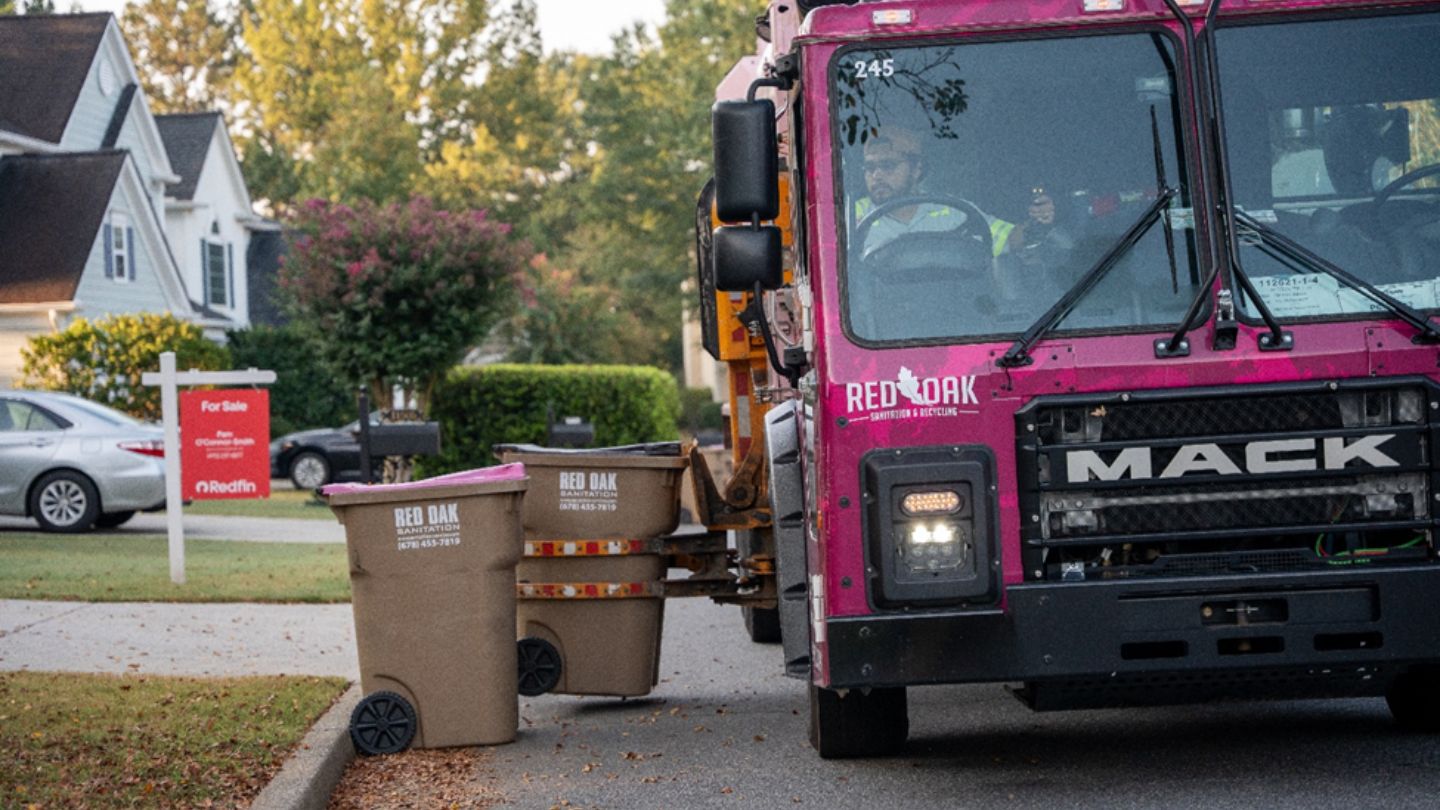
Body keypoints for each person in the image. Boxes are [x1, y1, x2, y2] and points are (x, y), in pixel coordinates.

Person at [854, 128, 1060, 263]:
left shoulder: (954, 210)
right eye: (869, 167)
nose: (876, 175)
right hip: (880, 324)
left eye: (888, 165)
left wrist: (1038, 223)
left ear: (916, 169)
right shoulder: (849, 218)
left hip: (959, 319)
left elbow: (1009, 238)